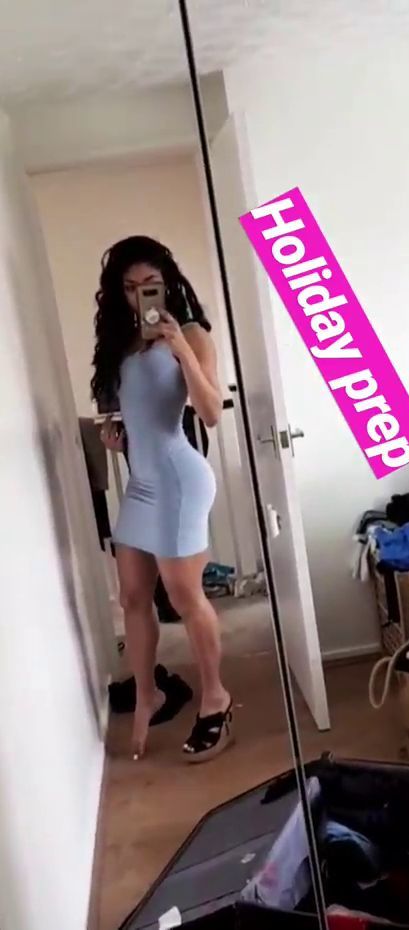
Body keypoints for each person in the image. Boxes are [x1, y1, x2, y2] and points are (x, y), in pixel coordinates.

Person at [91, 236, 232, 763]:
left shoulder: (192, 333)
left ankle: (216, 697)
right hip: (141, 480)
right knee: (132, 595)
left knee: (184, 595)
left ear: (168, 284)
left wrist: (180, 349)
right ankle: (148, 691)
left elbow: (211, 411)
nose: (140, 295)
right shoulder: (123, 342)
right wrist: (120, 439)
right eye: (129, 287)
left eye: (150, 285)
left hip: (178, 478)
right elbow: (138, 415)